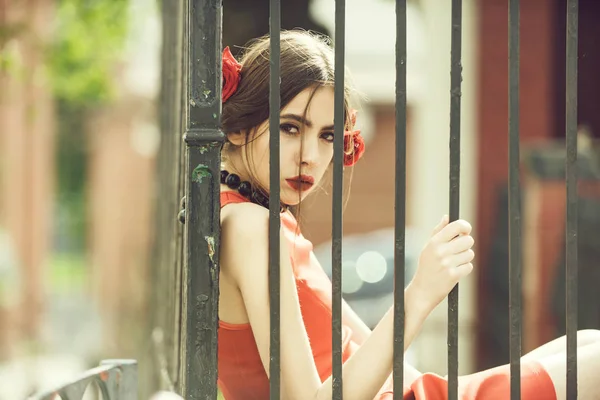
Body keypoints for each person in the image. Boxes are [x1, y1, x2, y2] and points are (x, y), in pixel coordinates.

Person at [216, 30, 600, 400]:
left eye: (328, 135)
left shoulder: (254, 217)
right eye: (290, 127)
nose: (310, 156)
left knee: (588, 341)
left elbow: (378, 355)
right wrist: (419, 294)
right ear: (237, 127)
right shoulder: (252, 228)